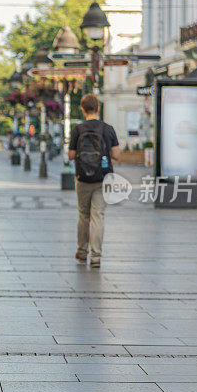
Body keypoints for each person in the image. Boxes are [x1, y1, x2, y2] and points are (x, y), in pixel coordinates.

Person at [68, 94, 120, 269]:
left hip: (83, 178)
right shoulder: (108, 129)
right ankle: (96, 256)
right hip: (103, 178)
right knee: (98, 215)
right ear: (98, 108)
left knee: (84, 215)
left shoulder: (77, 129)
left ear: (82, 109)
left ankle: (82, 252)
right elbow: (117, 155)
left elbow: (71, 155)